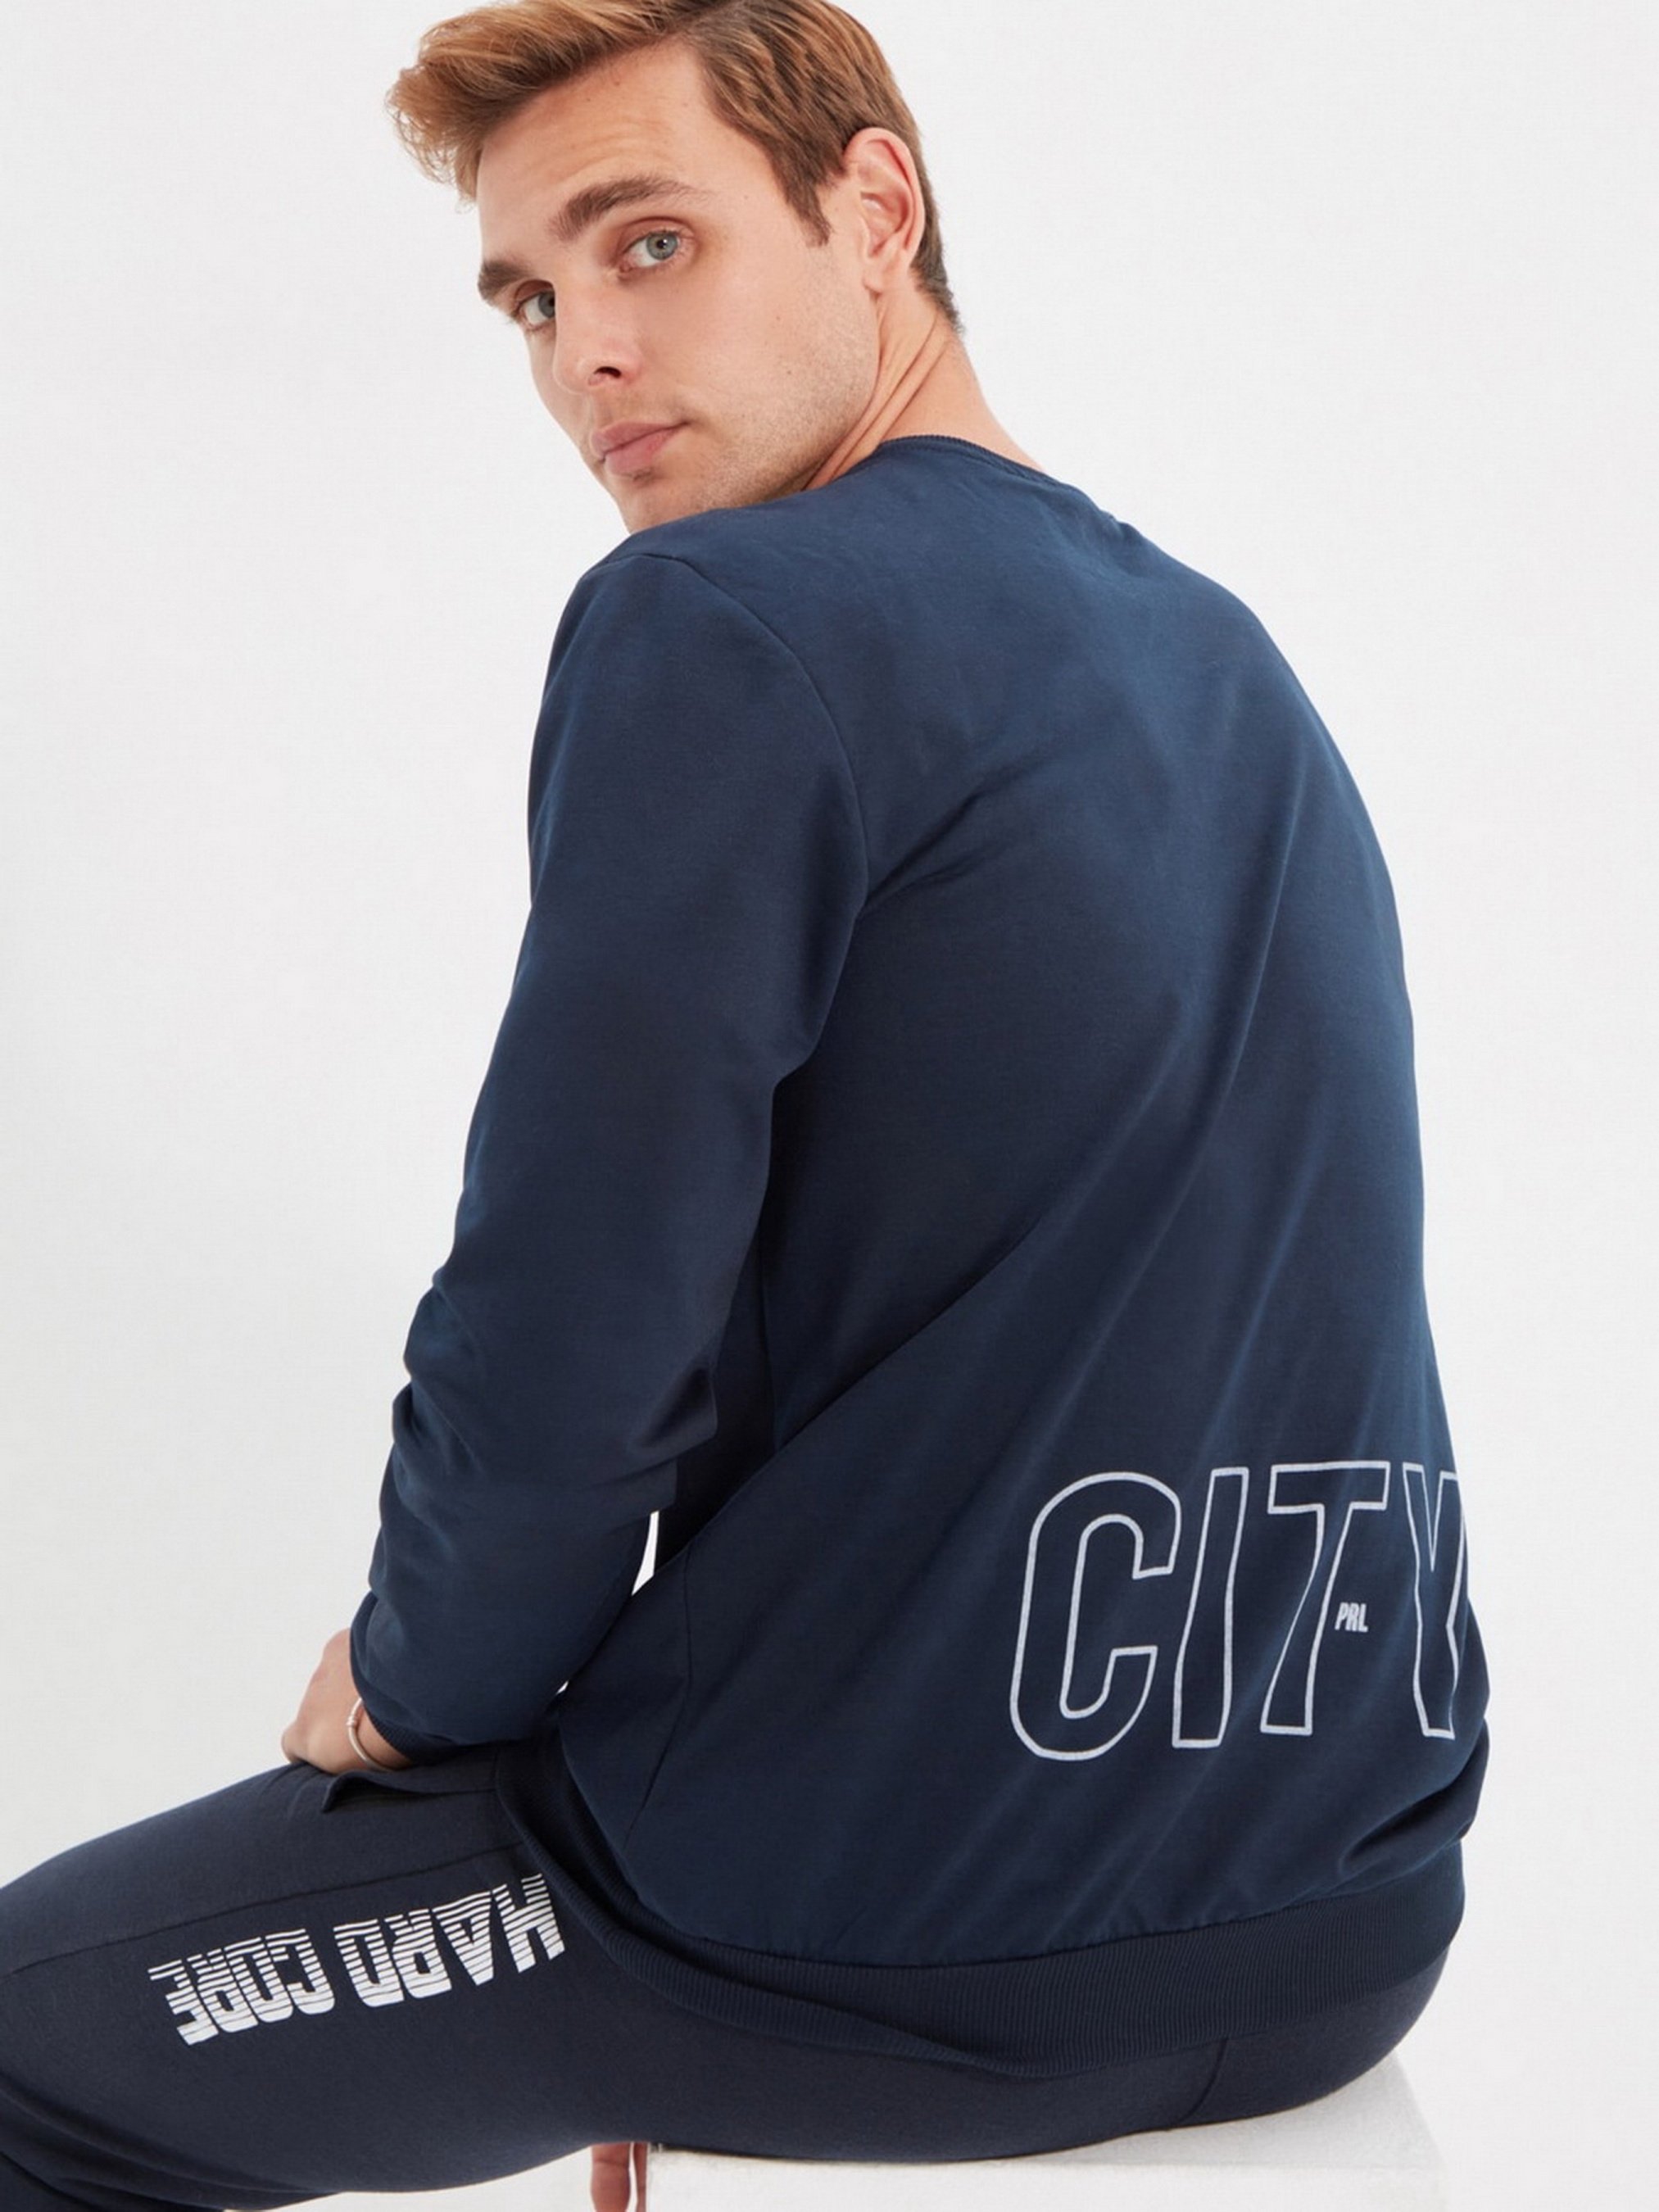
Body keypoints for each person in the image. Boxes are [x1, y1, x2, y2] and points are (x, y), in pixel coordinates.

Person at [0, 2, 1489, 2207]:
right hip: (1348, 1910)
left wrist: (416, 1686)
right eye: (531, 298)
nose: (585, 353)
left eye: (650, 243)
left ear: (872, 207)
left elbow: (580, 1308)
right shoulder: (1225, 656)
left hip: (855, 1934)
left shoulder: (718, 617)